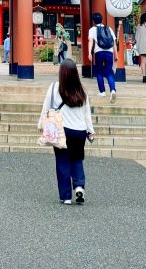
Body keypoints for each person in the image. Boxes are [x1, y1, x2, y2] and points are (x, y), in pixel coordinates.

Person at [37, 58, 94, 205]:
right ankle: (79, 186)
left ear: (61, 73)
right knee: (77, 159)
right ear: (76, 73)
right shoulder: (82, 91)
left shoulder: (55, 87)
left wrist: (41, 125)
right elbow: (86, 113)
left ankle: (66, 196)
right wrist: (90, 130)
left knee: (62, 161)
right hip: (80, 131)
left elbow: (46, 107)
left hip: (62, 130)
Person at [87, 12, 117, 100]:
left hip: (99, 52)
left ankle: (102, 91)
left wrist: (89, 53)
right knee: (109, 71)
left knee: (99, 71)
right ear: (102, 19)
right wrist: (116, 54)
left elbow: (91, 41)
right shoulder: (109, 28)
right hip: (109, 52)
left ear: (93, 21)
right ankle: (113, 90)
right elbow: (114, 42)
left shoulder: (92, 29)